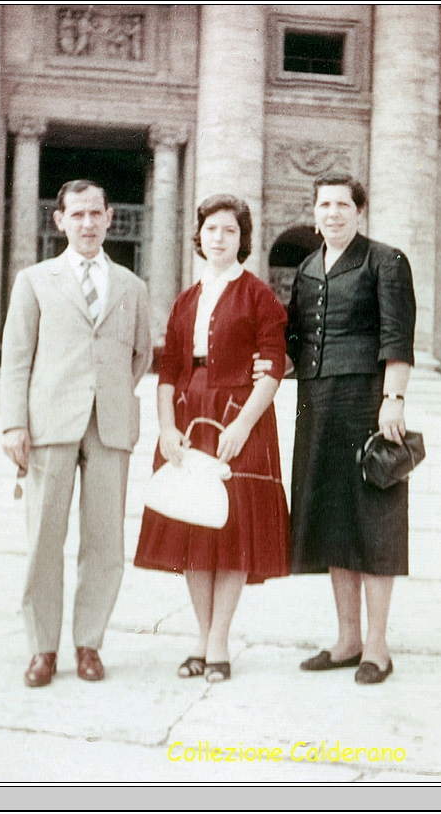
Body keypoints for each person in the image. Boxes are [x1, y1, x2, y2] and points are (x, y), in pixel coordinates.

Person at [0, 179, 152, 688]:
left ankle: (89, 644)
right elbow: (16, 356)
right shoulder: (35, 280)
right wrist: (14, 422)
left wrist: (106, 390)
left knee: (105, 541)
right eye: (77, 215)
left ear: (111, 218)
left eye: (96, 213)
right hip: (49, 424)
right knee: (44, 538)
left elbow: (140, 354)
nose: (87, 224)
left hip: (109, 425)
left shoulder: (132, 286)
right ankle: (42, 648)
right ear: (59, 220)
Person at [134, 194, 290, 683]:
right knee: (194, 527)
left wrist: (243, 424)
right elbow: (168, 370)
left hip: (239, 415)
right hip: (188, 414)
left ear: (243, 240)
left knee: (233, 529)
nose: (218, 238)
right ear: (197, 236)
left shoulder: (259, 295)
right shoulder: (186, 299)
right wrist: (166, 428)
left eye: (230, 230)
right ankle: (202, 637)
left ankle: (219, 641)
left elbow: (275, 365)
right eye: (211, 229)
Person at [287, 172, 416, 685]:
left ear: (359, 211)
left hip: (367, 400)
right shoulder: (306, 267)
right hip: (316, 403)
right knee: (333, 519)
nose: (333, 213)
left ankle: (378, 648)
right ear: (314, 212)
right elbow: (293, 335)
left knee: (374, 521)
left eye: (342, 205)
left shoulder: (385, 260)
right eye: (324, 205)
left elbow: (397, 335)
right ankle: (347, 640)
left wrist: (394, 399)